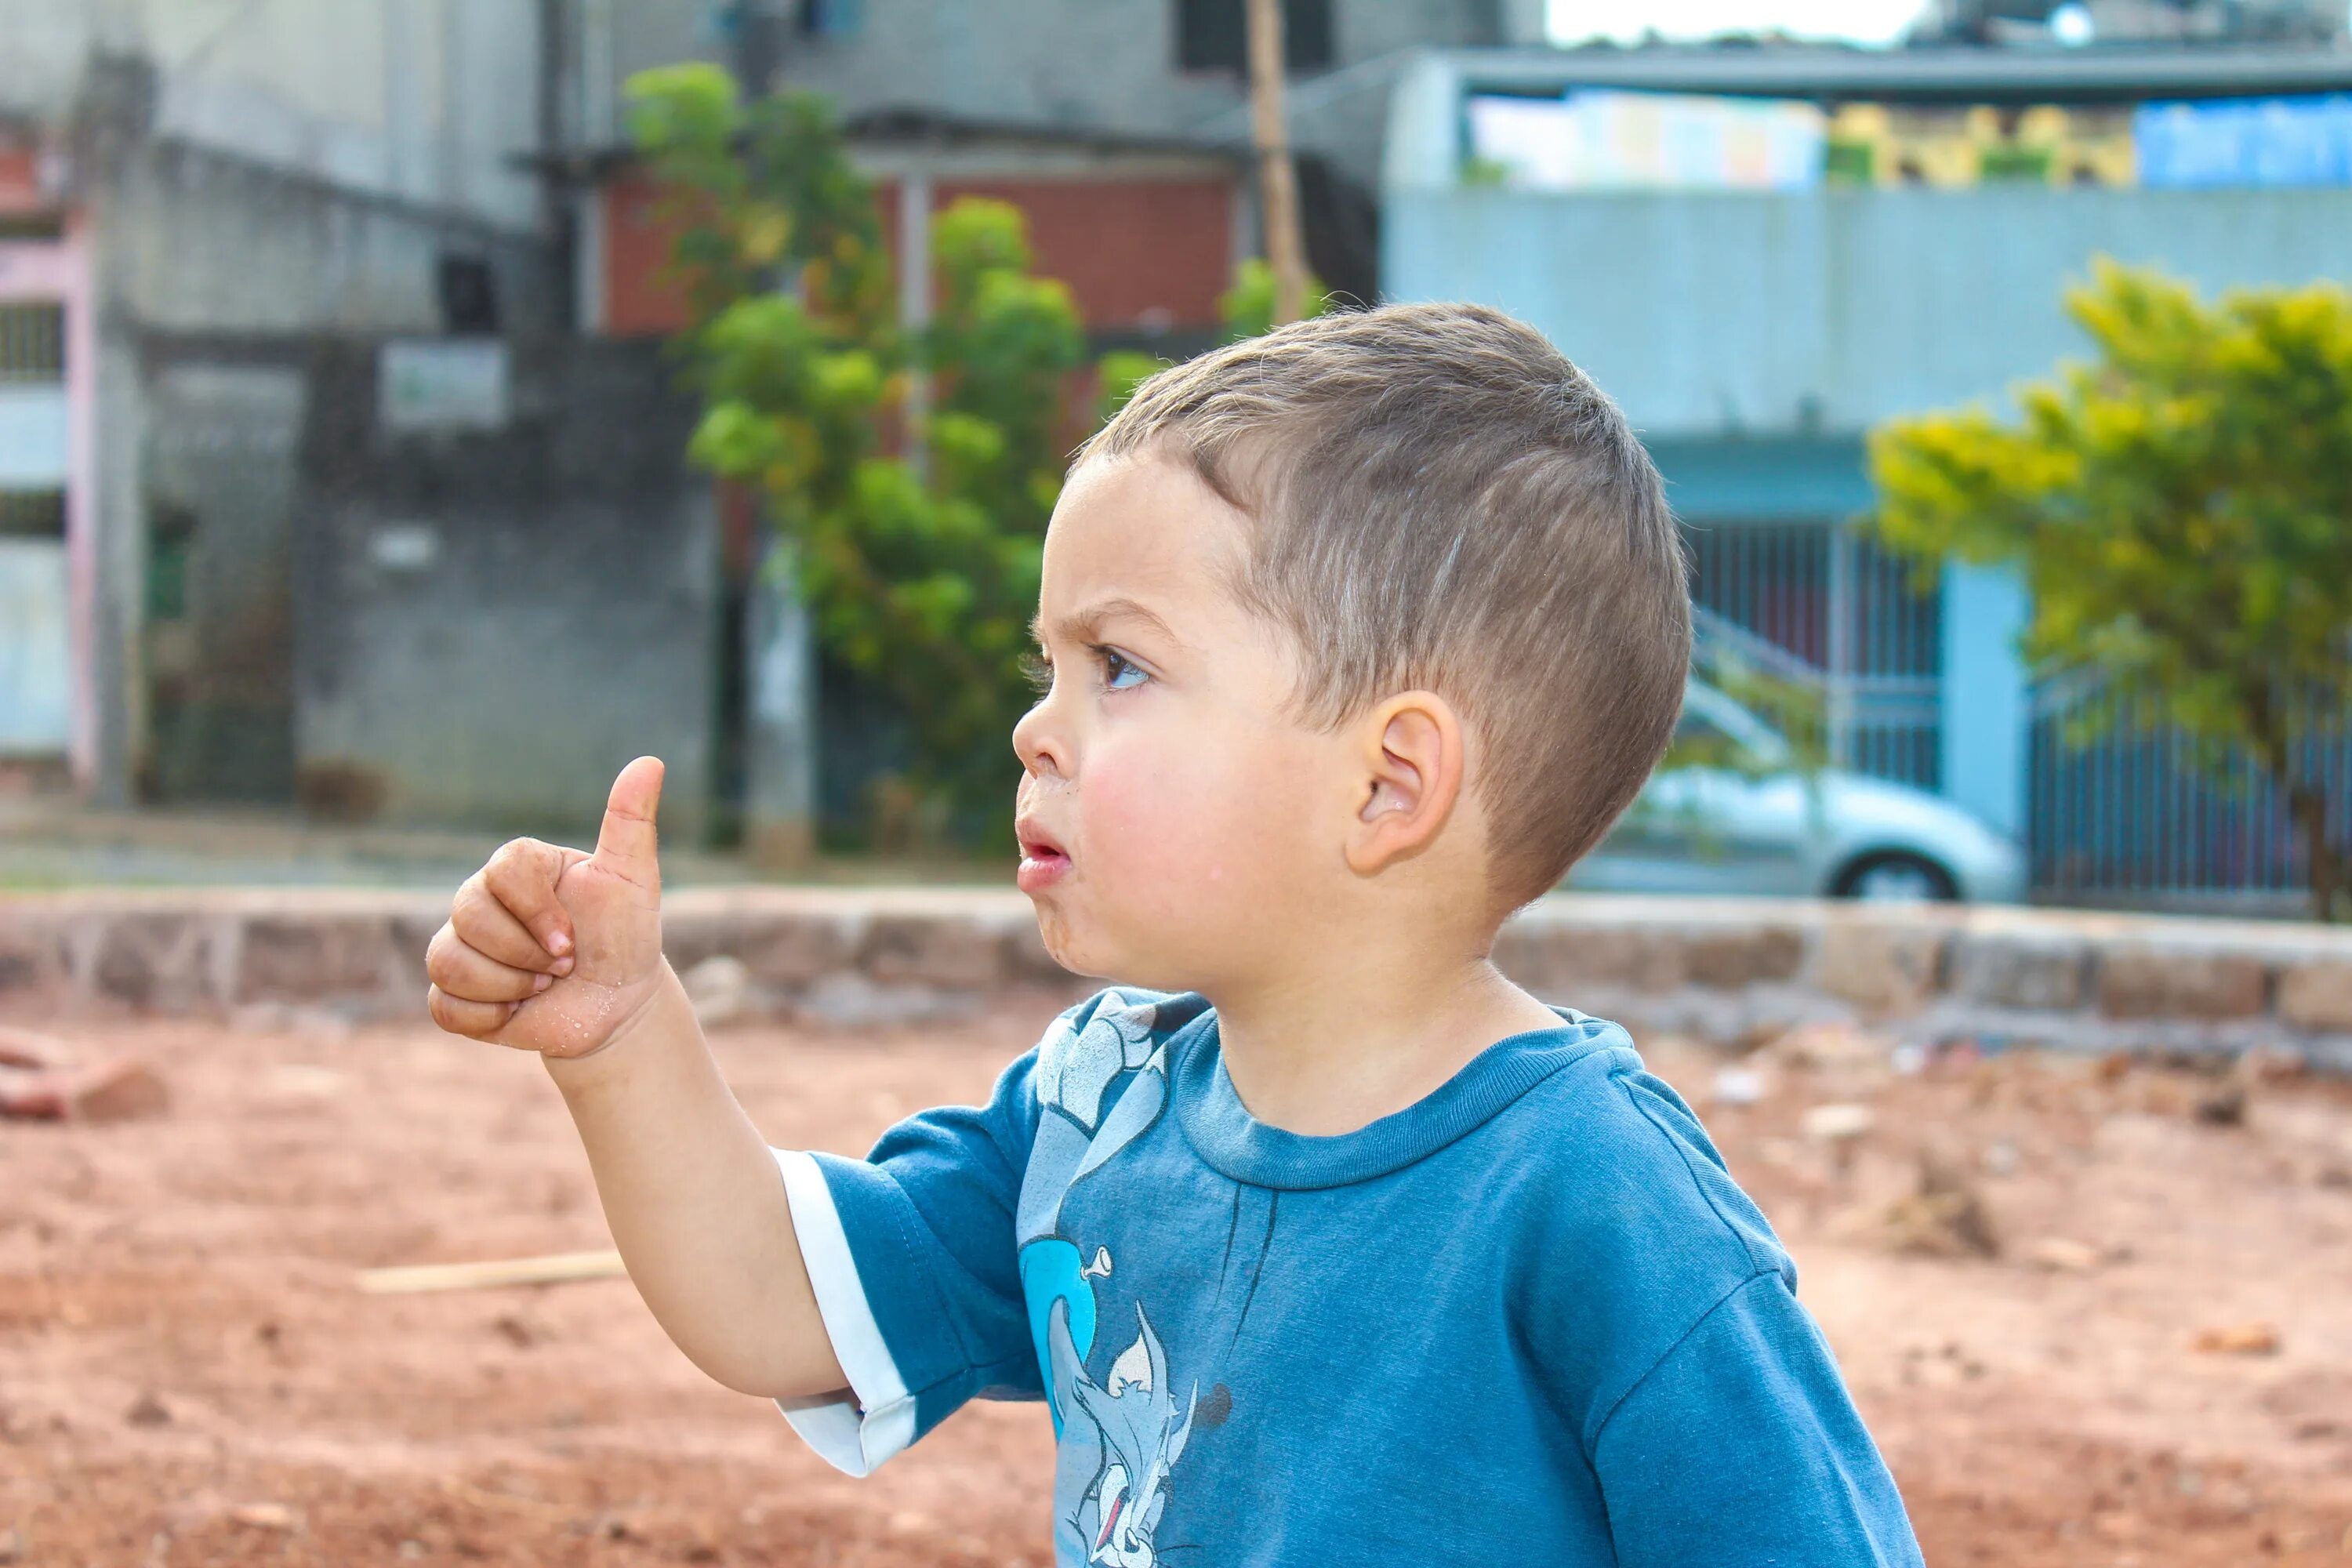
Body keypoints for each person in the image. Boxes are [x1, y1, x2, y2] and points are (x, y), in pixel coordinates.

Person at [424, 302, 1924, 1566]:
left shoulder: (1600, 1204)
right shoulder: (1097, 1113)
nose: (1036, 728)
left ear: (1389, 783)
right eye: (1052, 665)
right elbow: (779, 1306)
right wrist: (624, 1038)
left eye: (1119, 667)